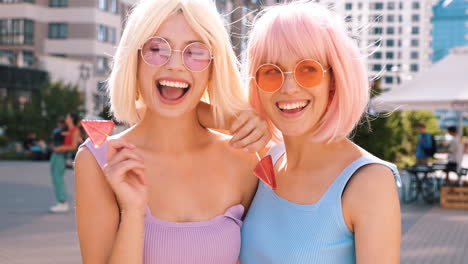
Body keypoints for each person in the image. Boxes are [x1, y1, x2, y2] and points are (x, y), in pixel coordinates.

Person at [74, 0, 268, 263]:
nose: (175, 65)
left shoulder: (243, 161)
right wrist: (133, 211)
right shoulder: (99, 161)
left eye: (195, 52)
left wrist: (228, 117)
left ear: (213, 68)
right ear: (135, 60)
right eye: (157, 48)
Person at [240, 2, 401, 263]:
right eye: (271, 72)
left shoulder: (369, 182)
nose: (289, 87)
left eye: (308, 70)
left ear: (334, 79)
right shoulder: (265, 161)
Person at [50, 113, 81, 213]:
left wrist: (61, 148)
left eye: (67, 117)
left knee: (58, 178)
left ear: (71, 119)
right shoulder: (66, 129)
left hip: (62, 156)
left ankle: (62, 202)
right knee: (55, 178)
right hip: (56, 154)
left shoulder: (75, 130)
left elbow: (73, 146)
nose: (66, 118)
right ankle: (60, 202)